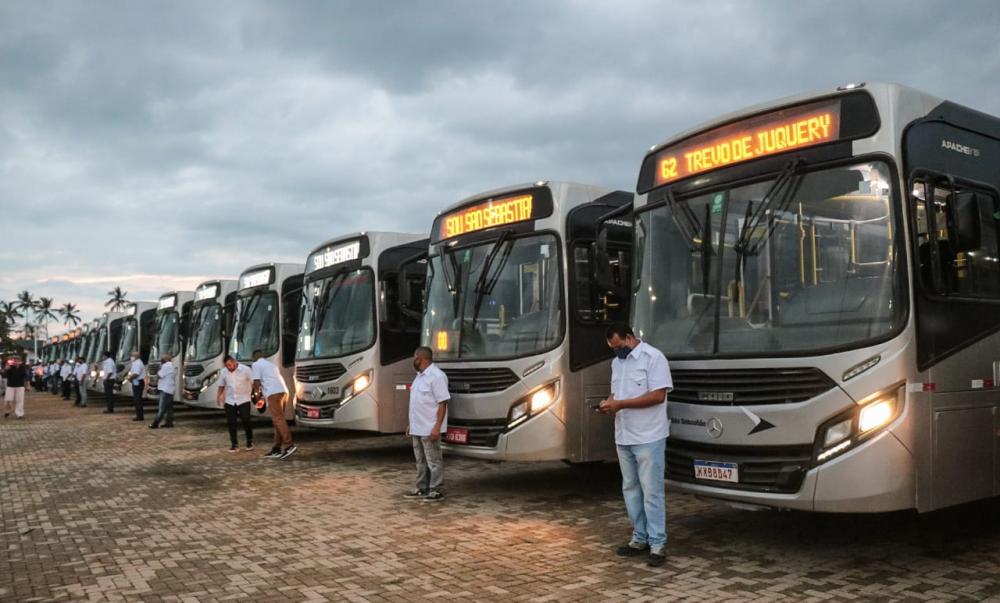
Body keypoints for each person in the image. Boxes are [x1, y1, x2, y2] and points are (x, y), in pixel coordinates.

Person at [599, 322, 672, 568]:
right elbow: (615, 394)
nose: (617, 351)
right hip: (624, 435)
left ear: (629, 337)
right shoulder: (617, 363)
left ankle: (657, 544)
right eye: (612, 348)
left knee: (652, 491)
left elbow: (658, 396)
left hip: (649, 436)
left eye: (619, 346)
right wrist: (609, 404)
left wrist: (621, 404)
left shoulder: (654, 358)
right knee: (630, 488)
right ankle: (639, 537)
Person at [403, 346, 449, 502]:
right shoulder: (419, 377)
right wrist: (411, 424)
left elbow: (442, 403)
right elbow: (416, 403)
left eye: (415, 358)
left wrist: (437, 427)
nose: (413, 361)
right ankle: (422, 488)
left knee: (434, 460)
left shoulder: (437, 376)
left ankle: (437, 489)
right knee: (420, 461)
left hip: (429, 428)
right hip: (417, 427)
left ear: (421, 359)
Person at [251, 350, 296, 459]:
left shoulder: (256, 364)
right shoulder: (271, 365)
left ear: (254, 358)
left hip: (273, 393)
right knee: (277, 420)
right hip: (283, 392)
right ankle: (276, 448)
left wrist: (258, 397)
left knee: (279, 419)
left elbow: (256, 383)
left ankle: (289, 445)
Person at [217, 355, 254, 452]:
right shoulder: (224, 372)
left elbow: (254, 382)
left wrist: (258, 395)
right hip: (230, 400)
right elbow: (221, 385)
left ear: (234, 362)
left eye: (230, 365)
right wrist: (218, 396)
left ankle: (249, 441)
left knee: (246, 420)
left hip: (244, 399)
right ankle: (234, 444)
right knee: (231, 422)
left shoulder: (246, 369)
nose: (228, 367)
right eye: (226, 366)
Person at [150, 353, 176, 429]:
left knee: (162, 408)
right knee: (169, 408)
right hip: (170, 389)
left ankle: (155, 423)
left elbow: (159, 376)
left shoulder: (165, 366)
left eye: (162, 358)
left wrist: (158, 370)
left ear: (165, 359)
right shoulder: (172, 366)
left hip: (165, 389)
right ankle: (169, 422)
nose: (161, 360)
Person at [126, 351, 146, 421]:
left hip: (138, 382)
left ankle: (140, 416)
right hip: (136, 382)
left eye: (133, 356)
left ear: (136, 356)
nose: (131, 357)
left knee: (137, 400)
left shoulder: (138, 363)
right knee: (136, 399)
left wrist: (130, 378)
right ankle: (139, 415)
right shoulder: (135, 363)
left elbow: (136, 374)